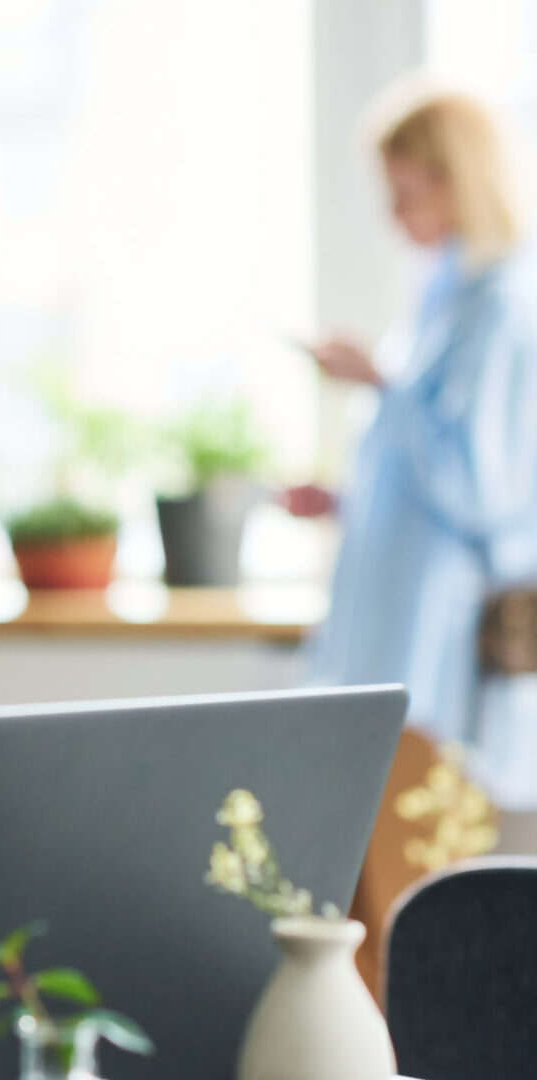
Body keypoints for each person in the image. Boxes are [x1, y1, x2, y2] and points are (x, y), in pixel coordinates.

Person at [288, 82, 537, 841]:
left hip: (444, 644)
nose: (394, 217)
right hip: (392, 631)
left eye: (406, 193)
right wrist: (340, 499)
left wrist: (378, 385)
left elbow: (484, 490)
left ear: (457, 178)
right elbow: (418, 467)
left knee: (422, 847)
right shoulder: (442, 299)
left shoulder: (503, 308)